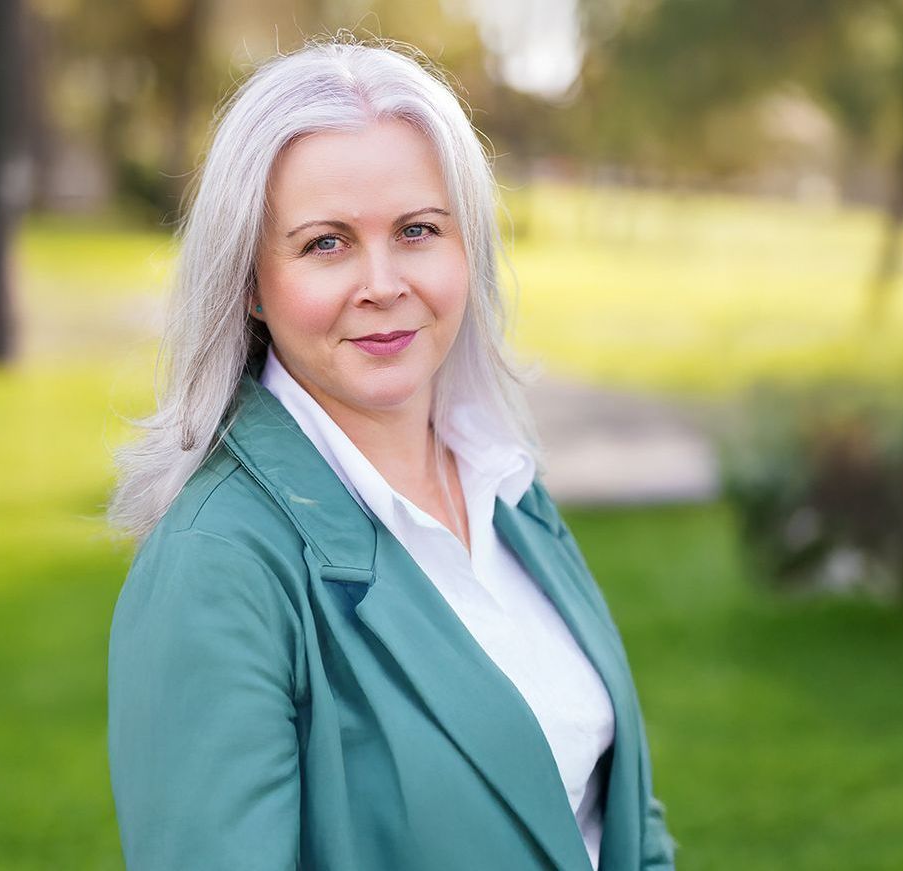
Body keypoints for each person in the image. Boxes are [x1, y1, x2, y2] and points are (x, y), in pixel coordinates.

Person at [105, 38, 678, 871]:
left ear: (466, 248)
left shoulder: (504, 479)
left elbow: (622, 814)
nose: (382, 283)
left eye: (416, 230)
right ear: (250, 282)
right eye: (326, 243)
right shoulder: (217, 567)